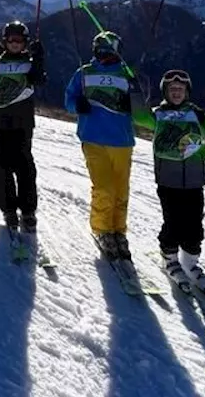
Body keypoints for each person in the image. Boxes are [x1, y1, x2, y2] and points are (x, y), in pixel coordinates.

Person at [131, 69, 205, 292]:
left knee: (194, 225)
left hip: (194, 182)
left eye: (180, 89)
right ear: (166, 92)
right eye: (172, 89)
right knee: (174, 222)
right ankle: (169, 257)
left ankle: (190, 262)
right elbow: (139, 116)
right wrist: (135, 90)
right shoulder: (158, 114)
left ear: (187, 92)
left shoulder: (198, 115)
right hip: (168, 181)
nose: (176, 92)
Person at [64, 31, 145, 260]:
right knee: (104, 188)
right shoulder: (84, 73)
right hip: (93, 138)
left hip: (121, 140)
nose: (106, 55)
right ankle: (102, 229)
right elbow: (69, 100)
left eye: (110, 50)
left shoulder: (125, 74)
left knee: (121, 190)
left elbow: (140, 107)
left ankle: (118, 230)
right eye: (101, 50)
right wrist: (77, 105)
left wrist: (136, 93)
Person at [0, 20, 45, 231]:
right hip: (1, 122)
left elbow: (38, 80)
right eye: (11, 40)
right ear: (5, 41)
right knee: (3, 166)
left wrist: (39, 58)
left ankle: (28, 209)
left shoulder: (29, 60)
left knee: (25, 166)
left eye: (19, 40)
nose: (15, 43)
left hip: (23, 122)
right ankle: (9, 209)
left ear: (25, 42)